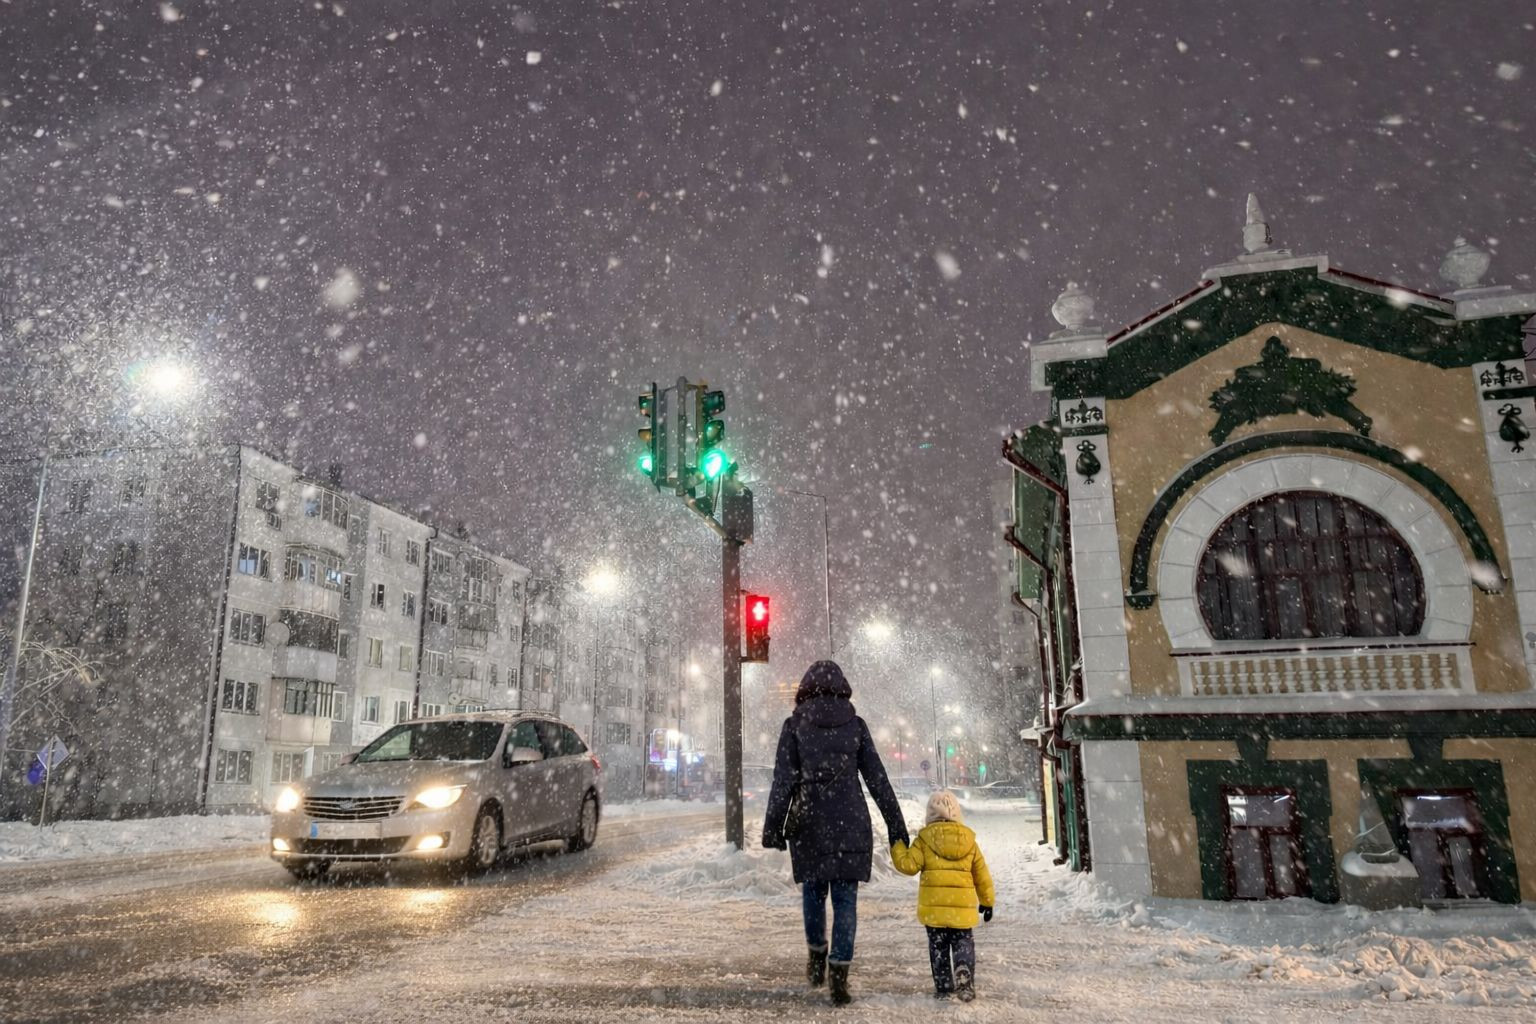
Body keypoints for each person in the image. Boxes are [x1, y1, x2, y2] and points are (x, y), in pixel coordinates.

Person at [762, 660, 909, 1006]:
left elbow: (783, 780)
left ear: (805, 689)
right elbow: (877, 780)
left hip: (810, 823)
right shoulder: (855, 726)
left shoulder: (794, 726)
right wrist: (896, 826)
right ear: (842, 689)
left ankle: (817, 957)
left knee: (813, 893)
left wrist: (773, 827)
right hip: (850, 823)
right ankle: (839, 974)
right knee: (846, 901)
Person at [890, 789, 995, 1002]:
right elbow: (981, 874)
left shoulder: (924, 840)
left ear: (929, 815)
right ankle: (964, 969)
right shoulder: (969, 842)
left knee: (938, 947)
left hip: (935, 909)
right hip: (962, 911)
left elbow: (908, 865)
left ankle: (944, 985)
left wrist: (897, 845)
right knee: (963, 942)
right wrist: (987, 901)